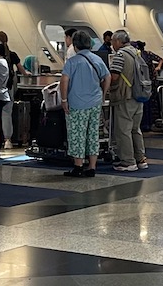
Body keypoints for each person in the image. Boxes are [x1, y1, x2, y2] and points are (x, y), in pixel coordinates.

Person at [60, 29, 109, 177]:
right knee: (93, 134)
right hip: (95, 103)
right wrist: (103, 94)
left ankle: (78, 166)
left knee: (77, 134)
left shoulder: (72, 62)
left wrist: (63, 99)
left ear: (75, 45)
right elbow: (107, 77)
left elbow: (64, 80)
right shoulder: (97, 59)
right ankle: (92, 167)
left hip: (77, 104)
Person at [108, 29, 150, 171]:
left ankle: (128, 161)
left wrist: (107, 87)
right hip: (139, 96)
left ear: (118, 41)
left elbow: (114, 76)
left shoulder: (120, 55)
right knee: (135, 129)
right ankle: (141, 159)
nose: (112, 44)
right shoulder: (137, 52)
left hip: (124, 96)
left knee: (123, 130)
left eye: (113, 41)